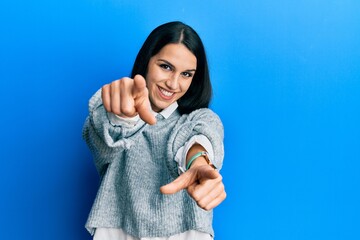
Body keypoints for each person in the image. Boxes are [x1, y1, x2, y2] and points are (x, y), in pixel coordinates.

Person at [83, 21, 226, 240]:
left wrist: (198, 161)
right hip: (117, 231)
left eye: (186, 74)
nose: (173, 83)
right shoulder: (117, 111)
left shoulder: (199, 119)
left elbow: (197, 139)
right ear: (146, 61)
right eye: (166, 66)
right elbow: (103, 141)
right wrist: (121, 116)